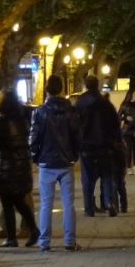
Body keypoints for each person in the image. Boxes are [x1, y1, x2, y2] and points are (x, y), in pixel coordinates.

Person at [29, 74, 81, 252]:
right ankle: (70, 241)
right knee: (68, 204)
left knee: (46, 204)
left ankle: (44, 242)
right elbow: (76, 136)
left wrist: (36, 157)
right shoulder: (70, 111)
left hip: (46, 162)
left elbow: (33, 138)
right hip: (66, 162)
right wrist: (74, 155)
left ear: (46, 90)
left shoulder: (40, 112)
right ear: (61, 89)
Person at [0, 91, 39, 248]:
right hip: (21, 165)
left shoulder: (1, 121)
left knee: (8, 204)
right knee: (19, 202)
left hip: (6, 166)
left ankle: (12, 237)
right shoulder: (21, 120)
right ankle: (33, 229)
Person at [76, 76, 120, 216]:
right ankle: (108, 202)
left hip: (86, 146)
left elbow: (75, 124)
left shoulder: (80, 102)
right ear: (98, 85)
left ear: (86, 85)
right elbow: (115, 123)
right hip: (104, 144)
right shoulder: (105, 102)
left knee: (87, 179)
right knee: (106, 175)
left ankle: (89, 208)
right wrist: (115, 141)